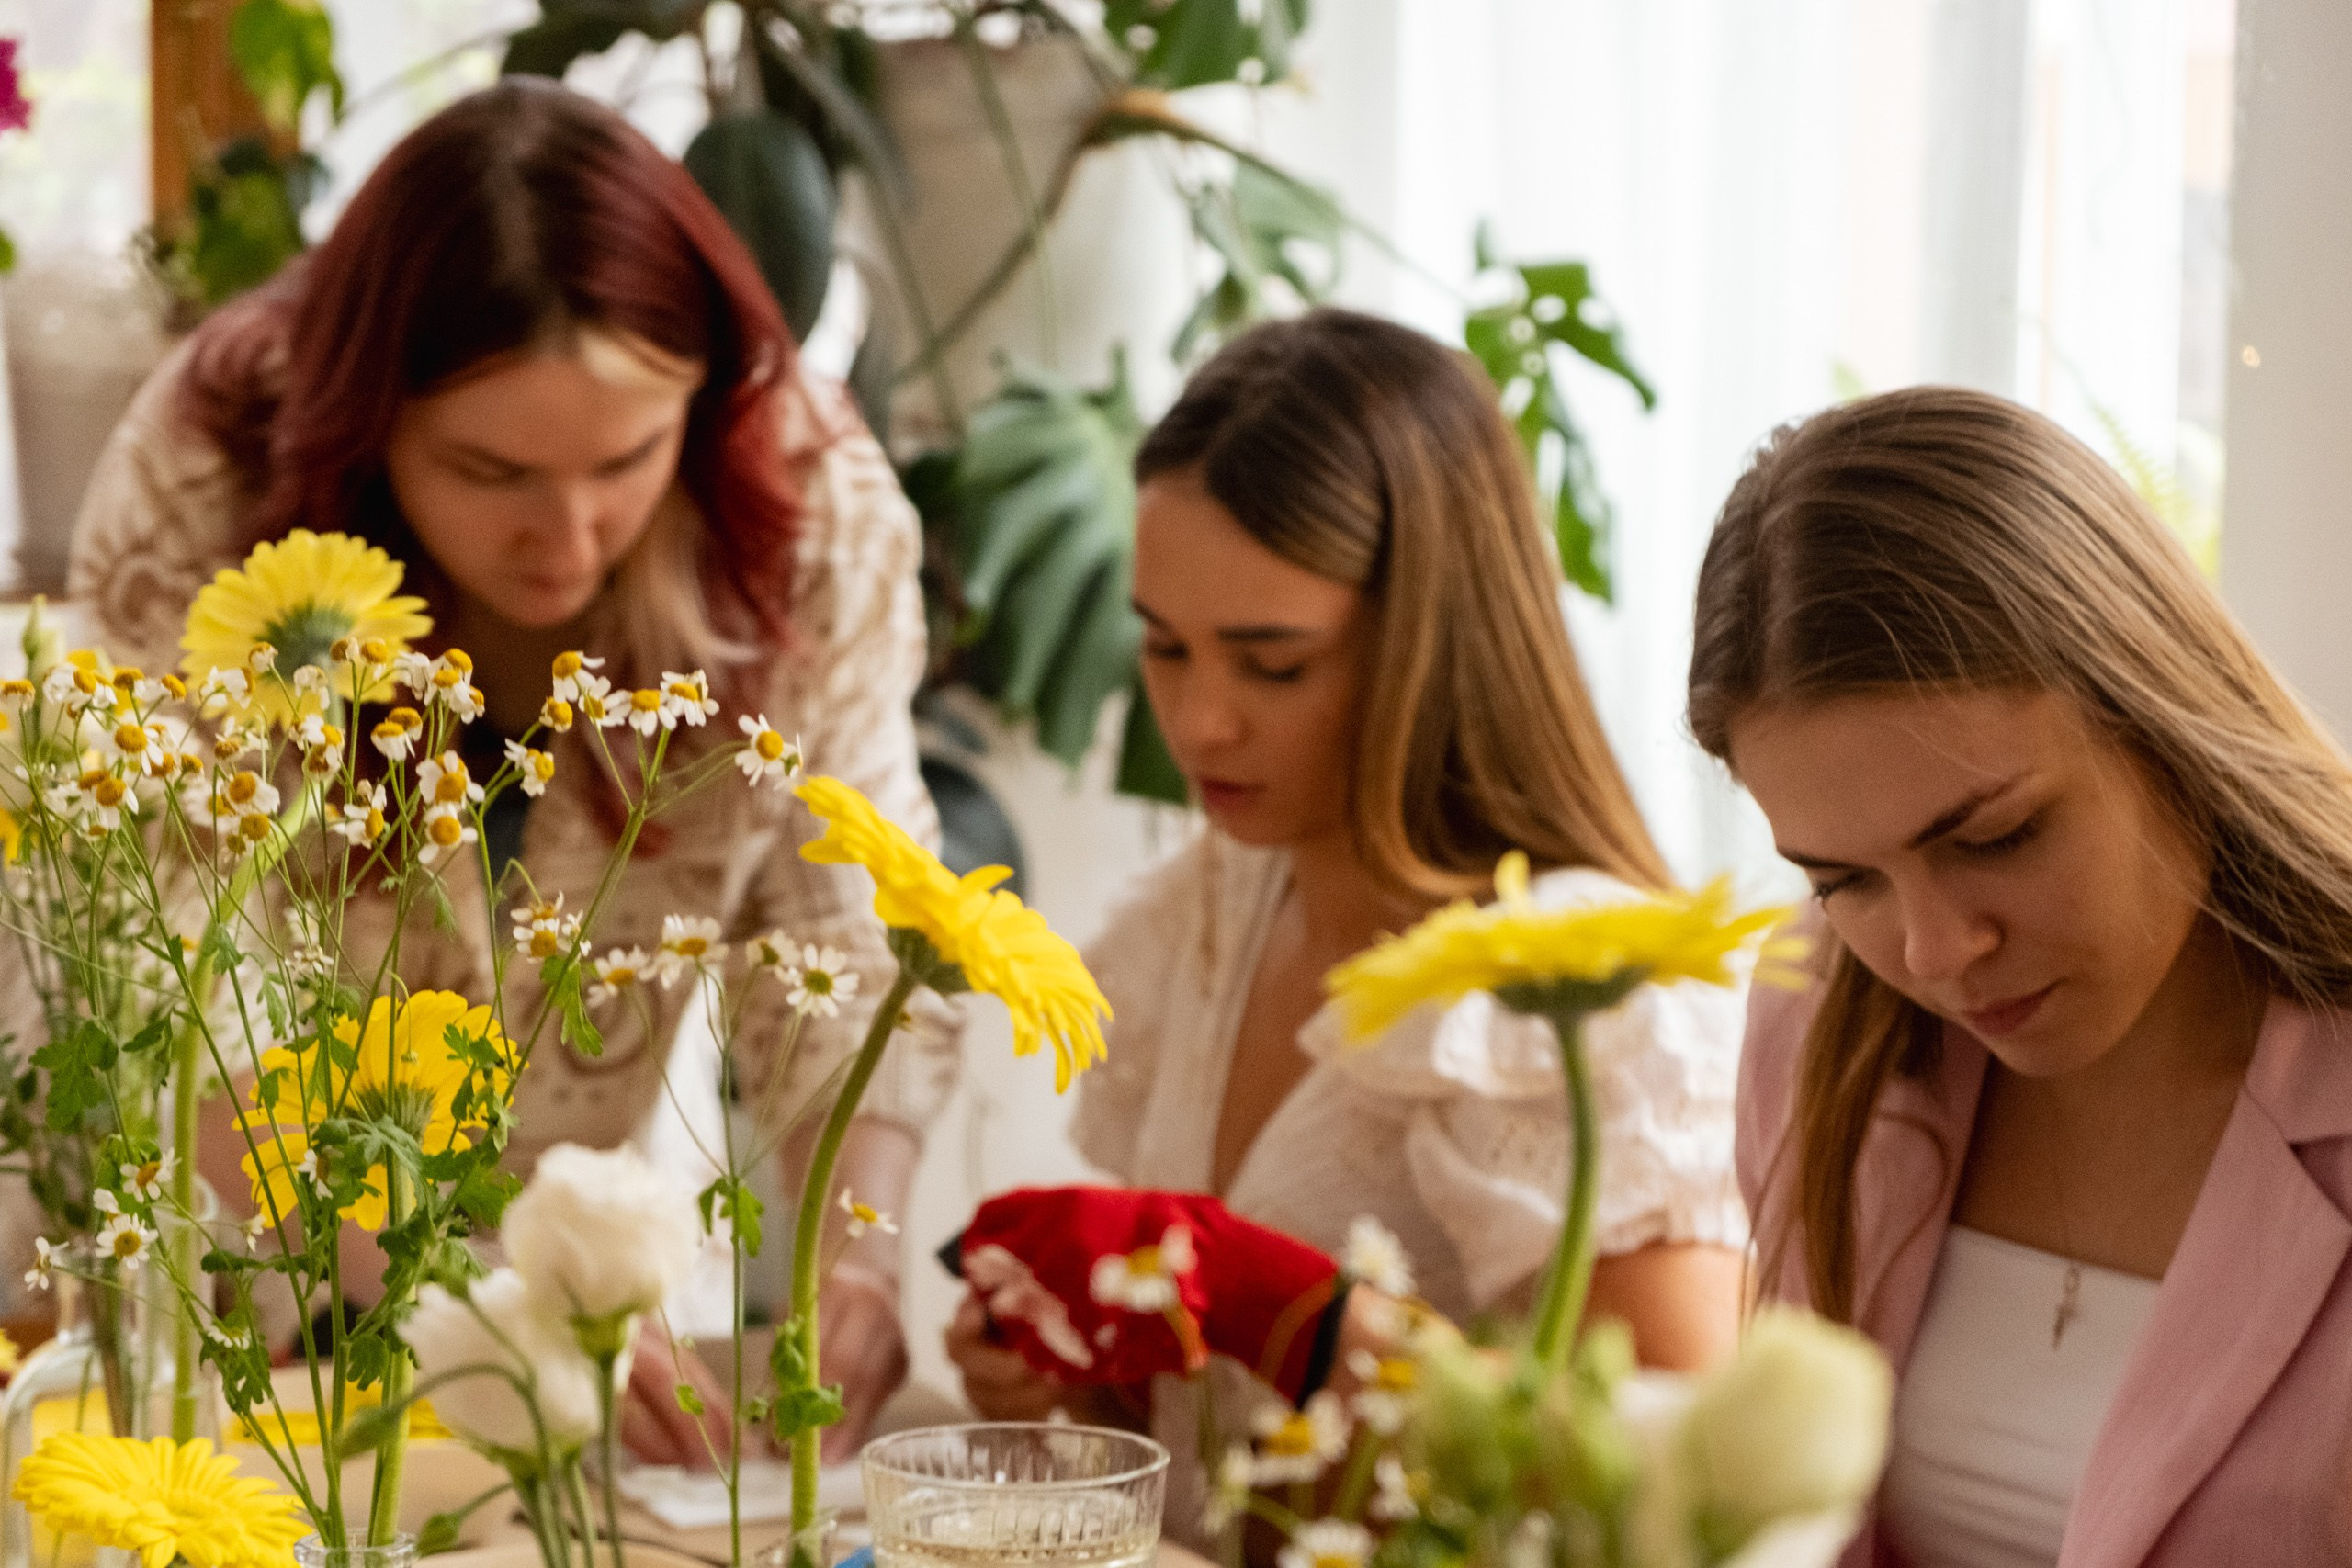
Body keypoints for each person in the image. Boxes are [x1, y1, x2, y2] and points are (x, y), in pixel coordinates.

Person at [68, 81, 952, 1464]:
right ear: (368, 428)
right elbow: (171, 984)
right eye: (489, 468)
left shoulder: (806, 506)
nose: (568, 535)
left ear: (705, 408)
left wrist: (858, 1260)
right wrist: (483, 1307)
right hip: (201, 1284)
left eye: (627, 459)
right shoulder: (210, 477)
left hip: (547, 1334)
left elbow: (845, 918)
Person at [946, 310, 1750, 1546]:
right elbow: (1187, 1430)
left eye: (1272, 663)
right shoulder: (1205, 907)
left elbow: (1664, 1492)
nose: (1200, 721)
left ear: (1432, 642)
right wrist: (1071, 1371)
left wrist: (1285, 1300)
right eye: (1164, 645)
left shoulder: (1586, 989)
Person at [1688, 385, 2352, 1565]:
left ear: (2164, 720)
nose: (1934, 953)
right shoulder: (1815, 1018)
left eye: (1995, 837)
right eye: (1844, 881)